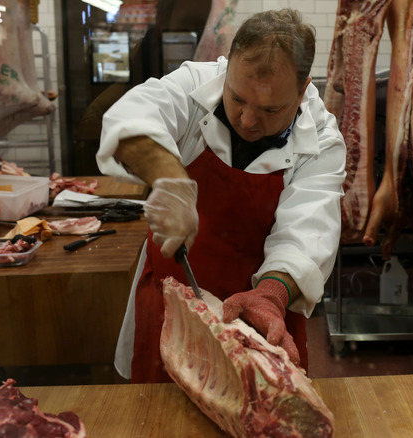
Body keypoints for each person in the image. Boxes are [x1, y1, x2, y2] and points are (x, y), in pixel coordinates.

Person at [97, 8, 347, 383]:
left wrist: (271, 295)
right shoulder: (196, 84)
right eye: (238, 98)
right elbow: (131, 117)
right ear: (228, 67)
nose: (247, 119)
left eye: (270, 109)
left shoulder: (322, 140)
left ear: (302, 90)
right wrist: (170, 181)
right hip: (171, 307)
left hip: (260, 322)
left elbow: (309, 231)